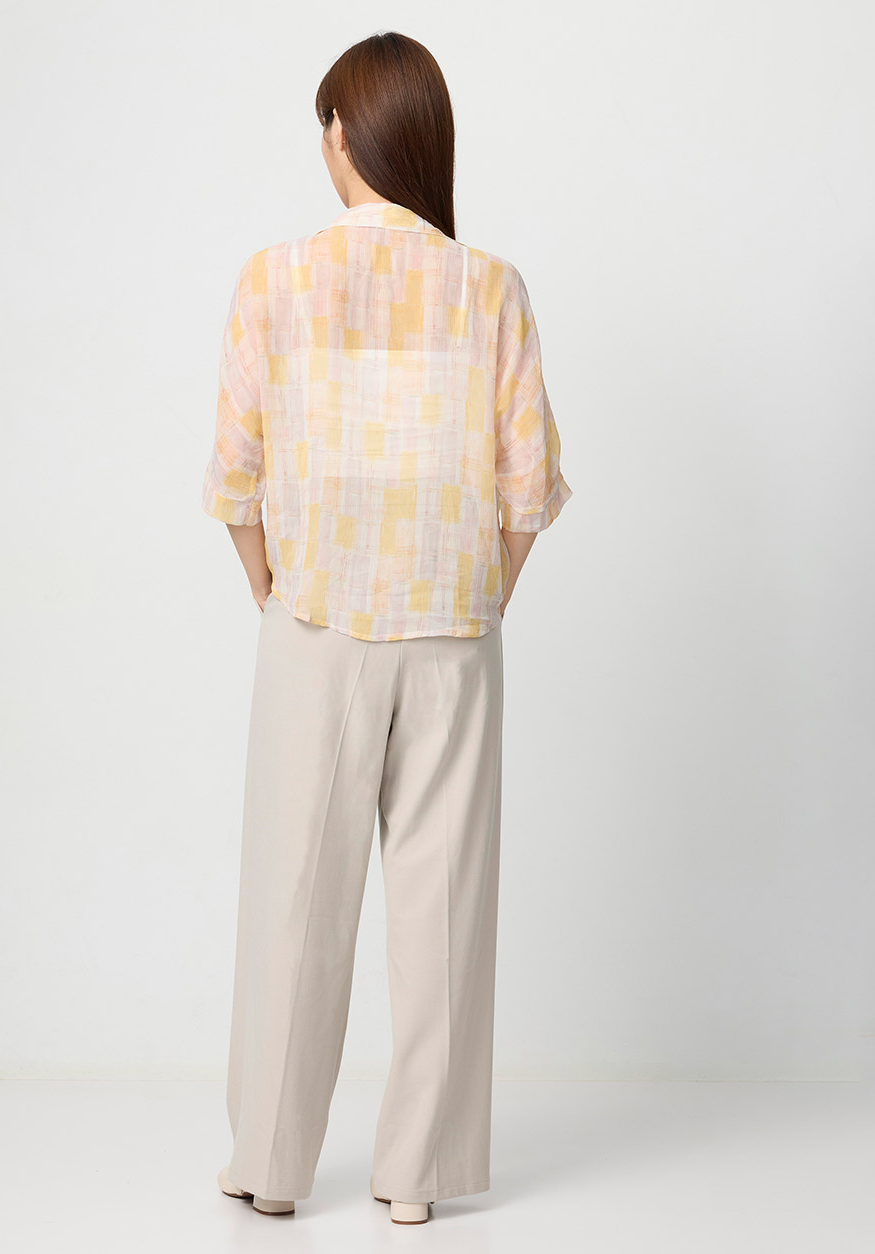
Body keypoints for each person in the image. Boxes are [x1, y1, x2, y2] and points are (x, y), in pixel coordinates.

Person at [204, 30, 572, 1225]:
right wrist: (482, 597)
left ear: (340, 133)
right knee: (442, 908)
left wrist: (267, 585)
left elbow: (235, 476)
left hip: (313, 624)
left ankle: (269, 1165)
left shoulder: (273, 278)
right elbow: (528, 492)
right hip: (453, 634)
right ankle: (414, 1180)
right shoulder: (490, 287)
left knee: (292, 904)